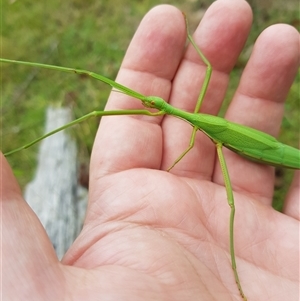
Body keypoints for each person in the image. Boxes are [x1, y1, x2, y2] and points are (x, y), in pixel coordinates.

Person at [2, 0, 299, 300]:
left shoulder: (194, 126)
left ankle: (236, 274)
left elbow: (207, 70)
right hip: (240, 139)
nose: (149, 104)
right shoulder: (193, 126)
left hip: (252, 144)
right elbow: (204, 80)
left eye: (152, 105)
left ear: (159, 109)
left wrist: (190, 36)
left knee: (232, 205)